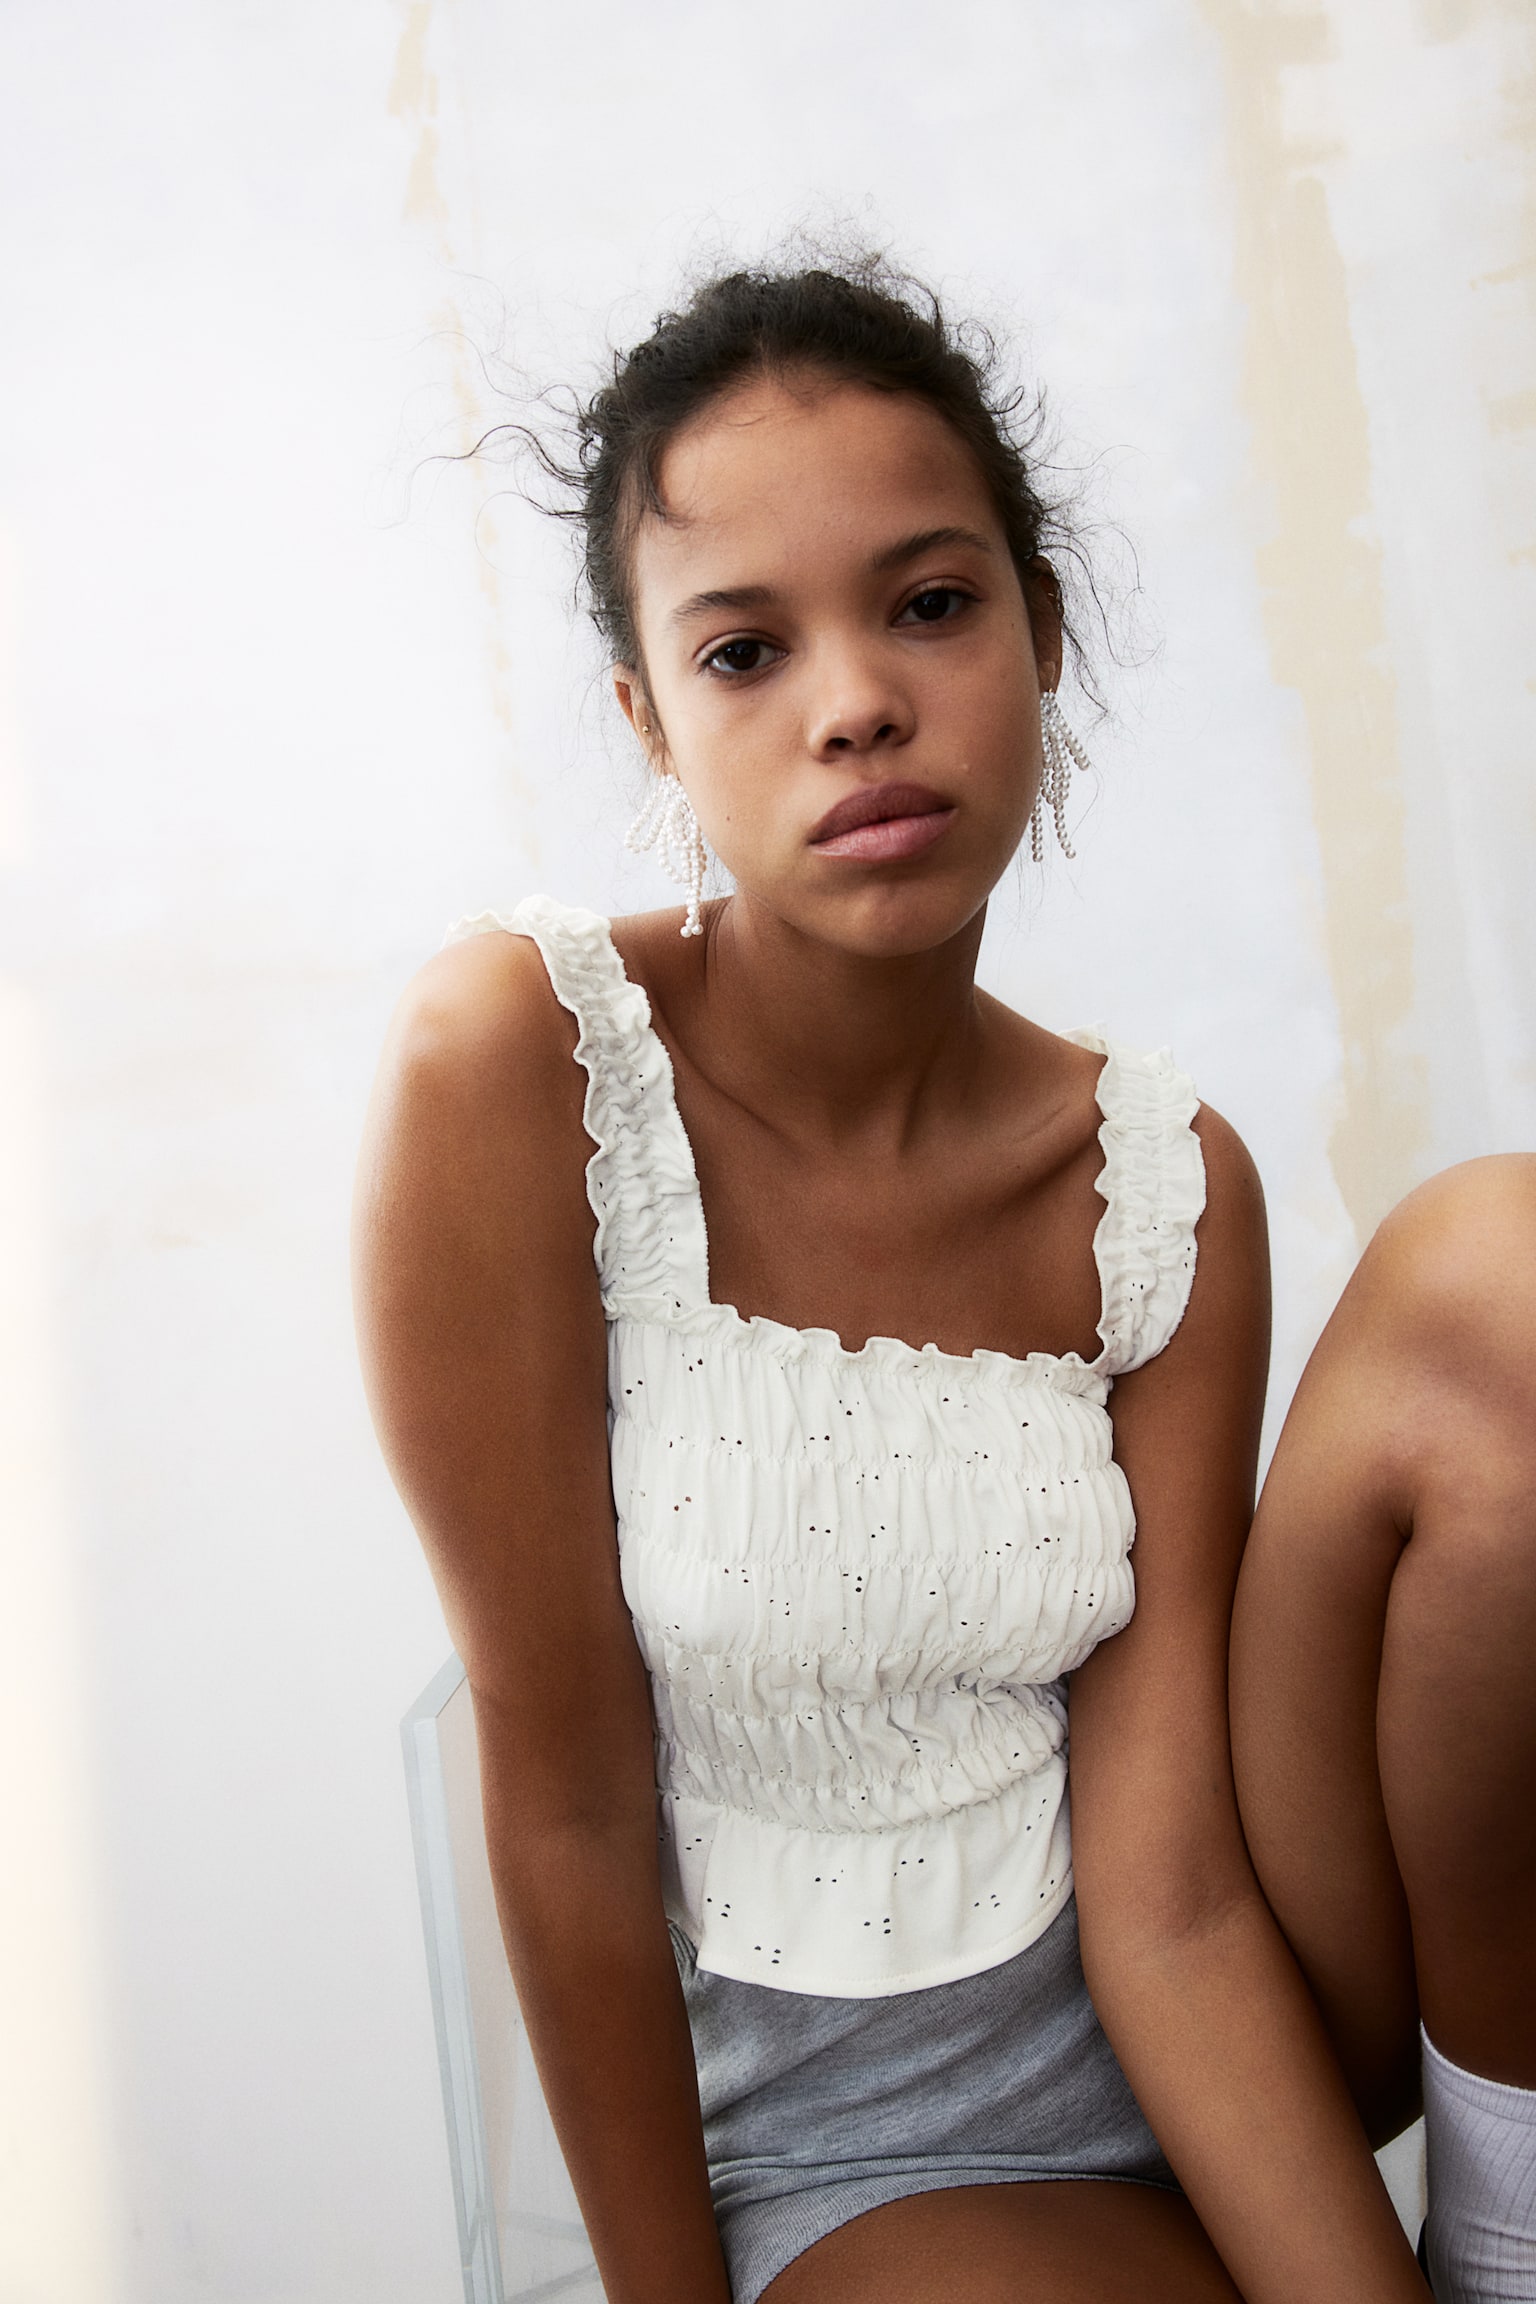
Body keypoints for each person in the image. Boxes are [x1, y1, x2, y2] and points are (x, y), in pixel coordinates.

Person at [353, 259, 1528, 2301]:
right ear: (648, 718)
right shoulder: (517, 1071)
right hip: (855, 2149)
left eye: (929, 603)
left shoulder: (1164, 1179)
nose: (857, 701)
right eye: (744, 650)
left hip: (1223, 2006)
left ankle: (1507, 2230)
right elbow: (559, 1798)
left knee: (1501, 1273)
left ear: (1039, 634)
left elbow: (1166, 1899)